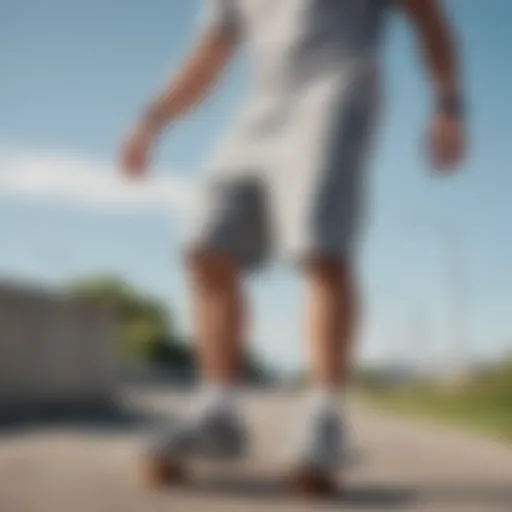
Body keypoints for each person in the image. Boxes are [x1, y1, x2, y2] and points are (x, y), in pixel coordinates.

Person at [119, 0, 465, 486]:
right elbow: (208, 55)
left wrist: (448, 102)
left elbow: (428, 17)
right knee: (203, 247)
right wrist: (152, 121)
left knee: (320, 248)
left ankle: (325, 414)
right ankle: (218, 411)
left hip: (336, 91)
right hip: (258, 111)